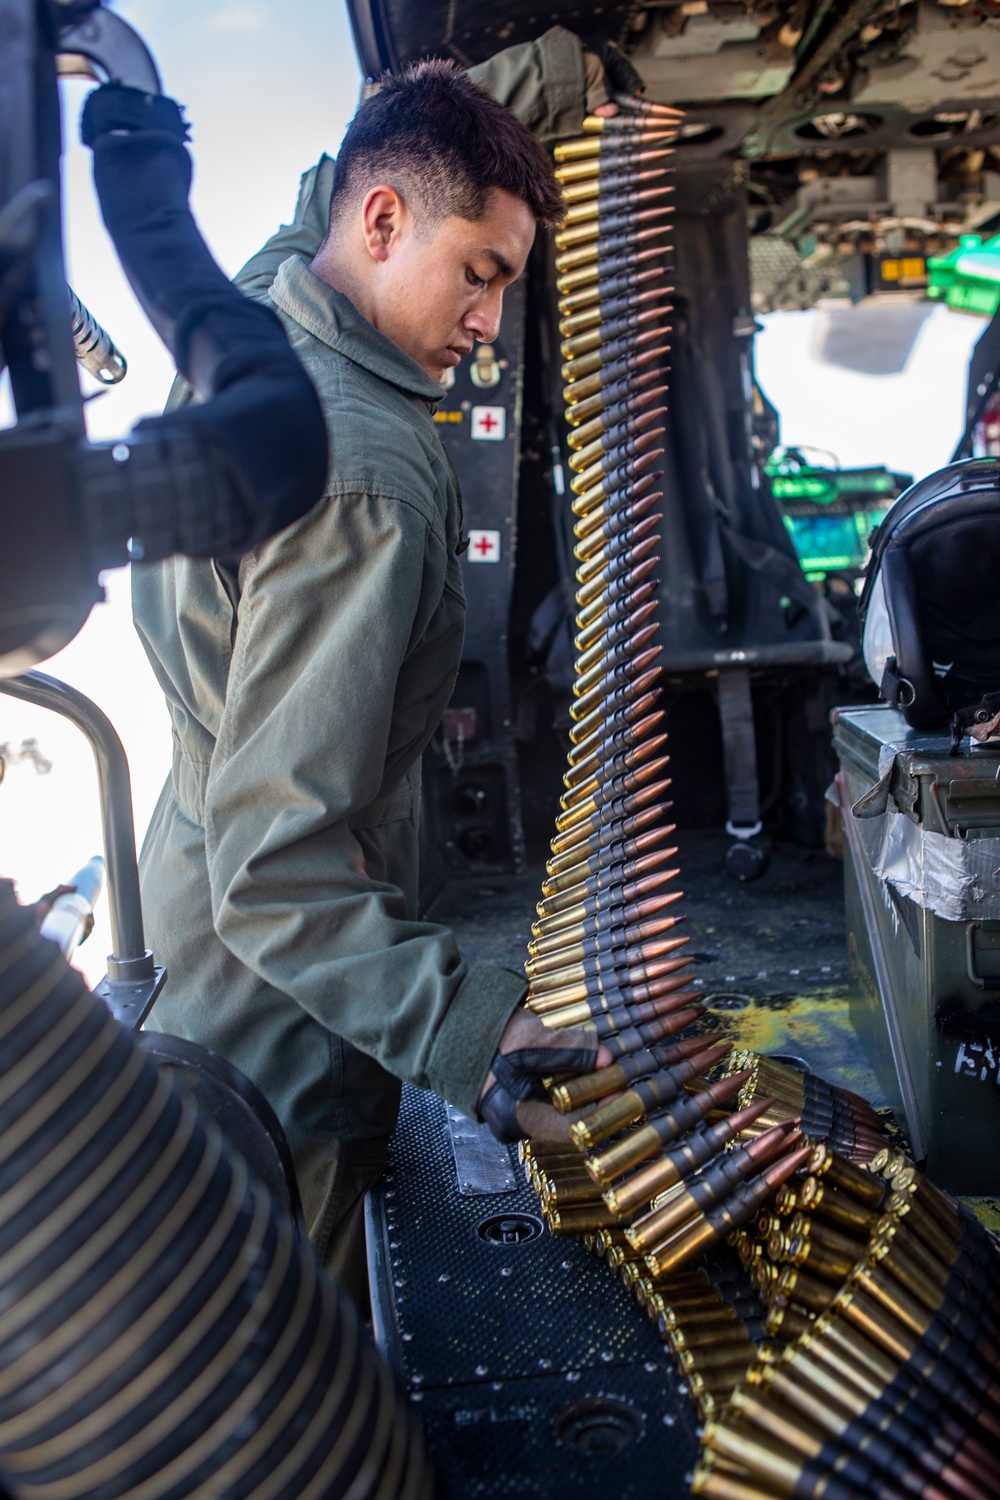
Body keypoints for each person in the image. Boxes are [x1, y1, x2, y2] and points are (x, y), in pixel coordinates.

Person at [134, 28, 635, 1303]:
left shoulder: (254, 325)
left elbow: (356, 166)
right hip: (287, 1021)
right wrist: (487, 1040)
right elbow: (280, 862)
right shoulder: (364, 478)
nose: (487, 318)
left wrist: (553, 83)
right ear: (382, 221)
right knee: (293, 1368)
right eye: (477, 272)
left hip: (190, 946)